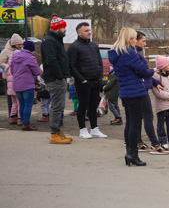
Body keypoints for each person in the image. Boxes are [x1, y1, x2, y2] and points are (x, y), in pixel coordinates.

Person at [108, 27, 154, 166]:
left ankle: (129, 153)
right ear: (129, 39)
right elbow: (143, 72)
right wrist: (153, 70)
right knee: (135, 124)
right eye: (134, 38)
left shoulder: (116, 53)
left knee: (129, 123)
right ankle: (133, 154)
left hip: (125, 91)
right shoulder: (129, 53)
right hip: (135, 91)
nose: (135, 40)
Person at [67, 21, 107, 139]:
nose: (89, 32)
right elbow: (71, 66)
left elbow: (99, 61)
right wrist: (81, 79)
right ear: (79, 33)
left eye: (89, 30)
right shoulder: (73, 47)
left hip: (95, 80)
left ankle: (94, 129)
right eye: (86, 31)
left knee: (94, 105)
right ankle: (82, 129)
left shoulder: (94, 45)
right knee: (83, 105)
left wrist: (100, 77)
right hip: (83, 82)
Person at [135, 32, 169, 155]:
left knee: (138, 117)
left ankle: (138, 142)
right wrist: (153, 71)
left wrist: (154, 82)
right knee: (147, 117)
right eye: (143, 41)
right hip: (140, 89)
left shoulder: (137, 54)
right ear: (135, 40)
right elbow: (143, 72)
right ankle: (155, 144)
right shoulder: (135, 55)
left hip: (142, 88)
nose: (145, 43)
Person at [42, 15, 73, 144]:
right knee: (56, 106)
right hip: (55, 79)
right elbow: (51, 60)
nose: (65, 29)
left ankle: (58, 132)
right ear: (57, 28)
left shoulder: (56, 39)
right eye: (63, 27)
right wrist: (60, 75)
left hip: (58, 78)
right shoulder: (50, 41)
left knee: (59, 106)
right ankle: (54, 134)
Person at [8, 40, 41, 130]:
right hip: (27, 84)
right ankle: (26, 124)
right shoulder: (31, 57)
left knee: (22, 104)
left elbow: (12, 71)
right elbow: (37, 71)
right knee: (28, 104)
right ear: (32, 49)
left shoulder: (15, 56)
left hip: (17, 84)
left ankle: (23, 122)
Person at [1, 33, 24, 124]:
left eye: (21, 44)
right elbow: (1, 62)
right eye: (19, 44)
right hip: (9, 77)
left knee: (15, 99)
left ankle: (13, 116)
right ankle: (16, 116)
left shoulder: (21, 50)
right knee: (14, 99)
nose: (20, 46)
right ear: (14, 44)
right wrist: (9, 67)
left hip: (18, 77)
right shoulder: (5, 52)